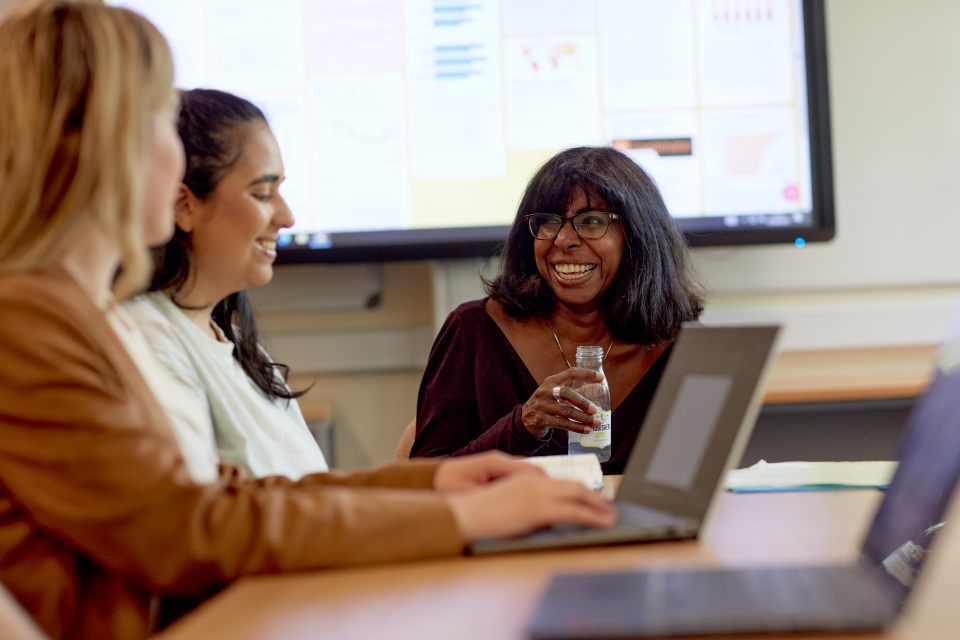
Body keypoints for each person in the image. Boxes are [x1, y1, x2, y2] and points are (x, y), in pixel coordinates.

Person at [0, 4, 615, 639]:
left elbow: (231, 496)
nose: (175, 154)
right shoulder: (29, 323)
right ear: (102, 142)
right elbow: (185, 529)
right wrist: (463, 520)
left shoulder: (74, 315)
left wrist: (437, 484)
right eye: (162, 120)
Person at [411, 146, 704, 474]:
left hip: (638, 526)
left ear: (637, 235)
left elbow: (697, 482)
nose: (563, 240)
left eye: (591, 221)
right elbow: (425, 479)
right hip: (512, 524)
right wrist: (522, 426)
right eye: (548, 222)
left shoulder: (683, 345)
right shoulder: (472, 332)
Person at [124, 89, 326, 481]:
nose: (286, 217)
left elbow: (312, 494)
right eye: (262, 194)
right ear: (184, 206)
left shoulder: (239, 347)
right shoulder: (151, 341)